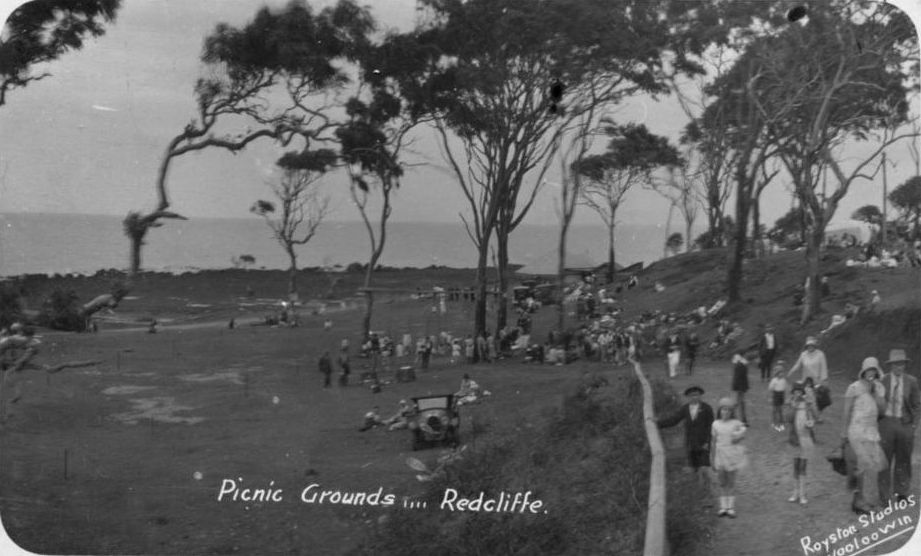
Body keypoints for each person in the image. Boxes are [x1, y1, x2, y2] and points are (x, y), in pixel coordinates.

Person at [842, 357, 888, 514]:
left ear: (877, 372)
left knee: (873, 466)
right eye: (869, 370)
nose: (871, 373)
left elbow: (882, 411)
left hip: (872, 432)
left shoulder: (879, 388)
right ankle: (861, 502)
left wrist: (876, 394)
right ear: (863, 371)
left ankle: (866, 501)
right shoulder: (854, 387)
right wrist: (843, 433)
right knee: (863, 466)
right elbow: (846, 412)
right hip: (856, 431)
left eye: (874, 370)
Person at [878, 349, 920, 503]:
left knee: (904, 459)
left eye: (901, 364)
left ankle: (901, 493)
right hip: (886, 423)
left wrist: (914, 426)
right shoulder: (882, 380)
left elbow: (917, 405)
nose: (899, 367)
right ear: (890, 365)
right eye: (896, 364)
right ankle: (884, 496)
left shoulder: (911, 381)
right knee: (884, 460)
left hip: (904, 424)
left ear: (905, 365)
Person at [657, 386, 715, 487]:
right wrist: (658, 423)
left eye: (697, 395)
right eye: (692, 395)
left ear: (700, 396)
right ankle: (699, 488)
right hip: (691, 443)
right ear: (688, 397)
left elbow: (711, 426)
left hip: (703, 442)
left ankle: (706, 486)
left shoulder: (707, 408)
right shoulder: (685, 409)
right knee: (694, 466)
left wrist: (708, 441)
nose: (694, 397)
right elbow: (674, 420)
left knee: (703, 467)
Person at [711, 397, 748, 517]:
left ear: (732, 412)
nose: (725, 412)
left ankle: (730, 507)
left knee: (731, 481)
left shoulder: (736, 423)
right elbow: (713, 442)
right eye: (723, 409)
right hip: (720, 455)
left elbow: (743, 433)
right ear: (719, 411)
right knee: (722, 482)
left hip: (732, 454)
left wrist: (738, 437)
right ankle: (723, 507)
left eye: (728, 410)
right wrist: (712, 457)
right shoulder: (715, 424)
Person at [787, 382, 817, 504]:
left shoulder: (807, 405)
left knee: (803, 466)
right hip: (795, 439)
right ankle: (795, 492)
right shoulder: (792, 404)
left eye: (800, 392)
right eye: (796, 392)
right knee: (795, 466)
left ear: (802, 393)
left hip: (805, 439)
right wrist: (793, 406)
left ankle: (803, 494)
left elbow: (812, 419)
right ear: (793, 393)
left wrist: (810, 423)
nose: (798, 394)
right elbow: (788, 419)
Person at [731, 352, 750, 425]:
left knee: (738, 403)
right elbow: (741, 377)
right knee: (740, 403)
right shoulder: (743, 364)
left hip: (739, 387)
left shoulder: (739, 365)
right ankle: (742, 419)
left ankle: (739, 418)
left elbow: (738, 377)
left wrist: (735, 387)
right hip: (741, 387)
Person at [768, 364, 788, 431]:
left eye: (782, 372)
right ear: (777, 373)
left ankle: (781, 422)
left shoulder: (784, 380)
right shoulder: (774, 380)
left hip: (781, 395)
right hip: (776, 395)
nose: (782, 374)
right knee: (774, 410)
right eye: (780, 372)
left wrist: (785, 397)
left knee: (780, 410)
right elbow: (770, 388)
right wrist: (770, 396)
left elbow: (785, 389)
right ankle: (774, 422)